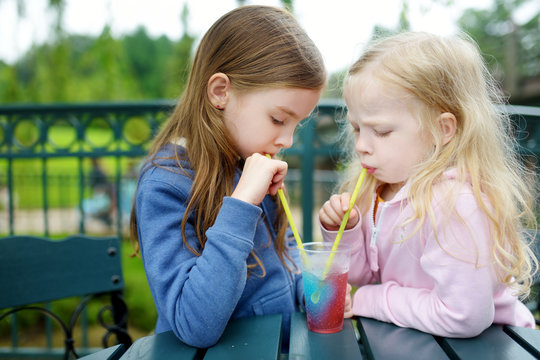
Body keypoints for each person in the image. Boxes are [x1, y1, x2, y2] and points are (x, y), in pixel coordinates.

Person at [130, 5, 326, 350]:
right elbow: (194, 325)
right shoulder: (164, 186)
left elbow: (285, 256)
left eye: (298, 123)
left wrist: (308, 292)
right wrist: (241, 204)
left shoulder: (249, 161)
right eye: (279, 119)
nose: (288, 141)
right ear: (221, 92)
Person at [319, 31, 538, 337]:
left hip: (495, 344)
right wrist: (345, 232)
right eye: (356, 128)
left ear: (442, 129)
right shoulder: (378, 187)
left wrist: (369, 299)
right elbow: (361, 276)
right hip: (419, 336)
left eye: (381, 131)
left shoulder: (455, 203)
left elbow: (463, 317)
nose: (361, 146)